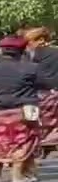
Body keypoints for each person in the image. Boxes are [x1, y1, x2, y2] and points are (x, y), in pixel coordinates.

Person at [0, 34, 41, 182]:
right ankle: (17, 175)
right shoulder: (31, 68)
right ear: (22, 51)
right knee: (22, 141)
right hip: (22, 112)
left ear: (1, 51)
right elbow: (43, 84)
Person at [25, 27, 58, 156]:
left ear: (41, 40)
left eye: (30, 42)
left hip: (39, 95)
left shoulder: (30, 57)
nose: (28, 45)